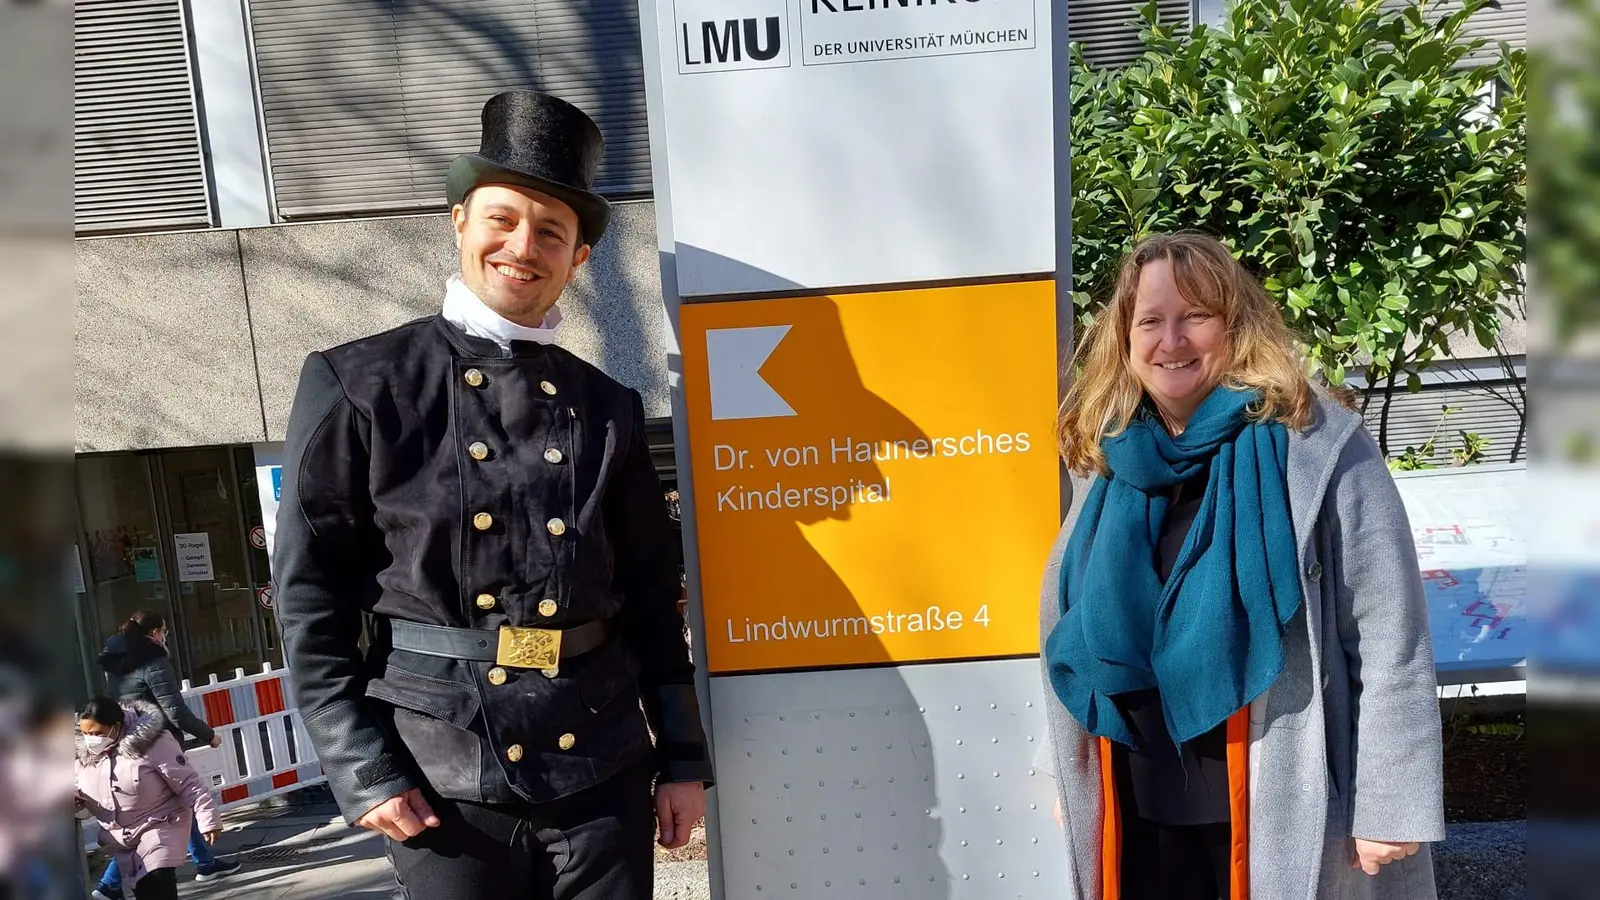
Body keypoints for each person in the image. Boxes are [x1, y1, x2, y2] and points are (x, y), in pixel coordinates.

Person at [273, 89, 713, 900]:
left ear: (579, 258)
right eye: (502, 220)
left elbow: (653, 600)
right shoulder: (358, 383)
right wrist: (364, 770)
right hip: (439, 778)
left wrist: (683, 758)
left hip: (601, 765)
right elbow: (310, 598)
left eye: (552, 232)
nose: (524, 246)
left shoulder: (607, 406)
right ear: (460, 222)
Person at [1039, 232, 1444, 900]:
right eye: (1150, 321)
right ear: (1125, 339)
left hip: (1269, 783)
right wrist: (1068, 768)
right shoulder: (1109, 457)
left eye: (1195, 316)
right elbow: (1076, 630)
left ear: (1235, 326)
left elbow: (1389, 635)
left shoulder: (1316, 444)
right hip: (1132, 791)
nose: (1172, 340)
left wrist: (1392, 803)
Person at [92, 612, 239, 899]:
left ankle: (204, 862)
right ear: (155, 632)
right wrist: (208, 734)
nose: (165, 637)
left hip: (129, 740)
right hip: (156, 741)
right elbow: (175, 711)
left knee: (172, 805)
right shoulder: (153, 661)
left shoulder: (116, 659)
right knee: (159, 812)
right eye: (164, 631)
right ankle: (109, 886)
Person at [75, 697, 221, 900]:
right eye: (85, 733)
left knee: (156, 883)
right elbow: (81, 789)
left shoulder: (155, 742)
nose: (91, 739)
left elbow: (189, 782)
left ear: (116, 727)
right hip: (122, 838)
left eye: (97, 733)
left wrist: (208, 819)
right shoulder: (85, 755)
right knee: (144, 891)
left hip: (160, 824)